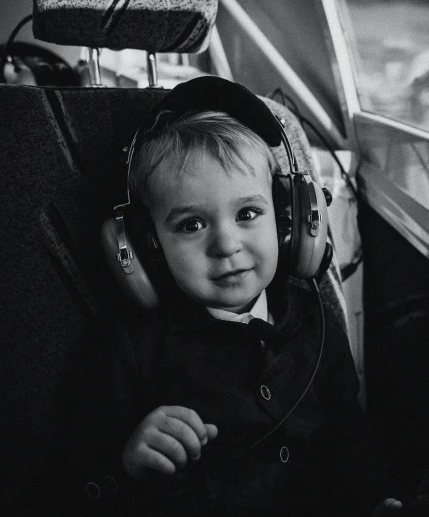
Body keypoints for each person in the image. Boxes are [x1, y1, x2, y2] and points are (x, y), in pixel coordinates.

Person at [59, 77, 402, 516]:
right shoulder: (129, 347)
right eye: (191, 225)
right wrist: (127, 461)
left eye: (247, 213)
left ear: (287, 222)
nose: (226, 244)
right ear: (147, 247)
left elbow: (349, 435)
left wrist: (379, 500)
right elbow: (75, 475)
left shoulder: (314, 319)